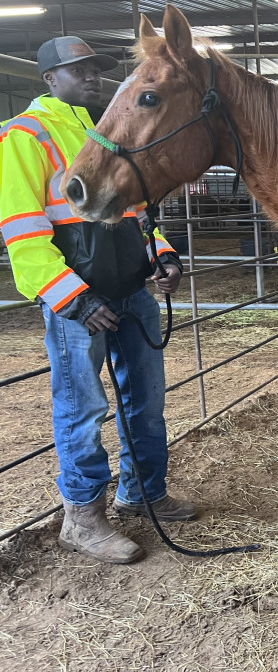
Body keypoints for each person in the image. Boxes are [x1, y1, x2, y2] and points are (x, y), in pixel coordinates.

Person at [0, 36, 199, 564]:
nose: (92, 76)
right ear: (50, 79)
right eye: (78, 69)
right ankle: (83, 517)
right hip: (80, 303)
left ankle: (143, 492)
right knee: (82, 408)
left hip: (132, 290)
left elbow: (132, 210)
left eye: (96, 68)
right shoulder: (27, 135)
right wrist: (74, 299)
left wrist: (160, 254)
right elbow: (22, 231)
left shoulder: (104, 128)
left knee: (147, 402)